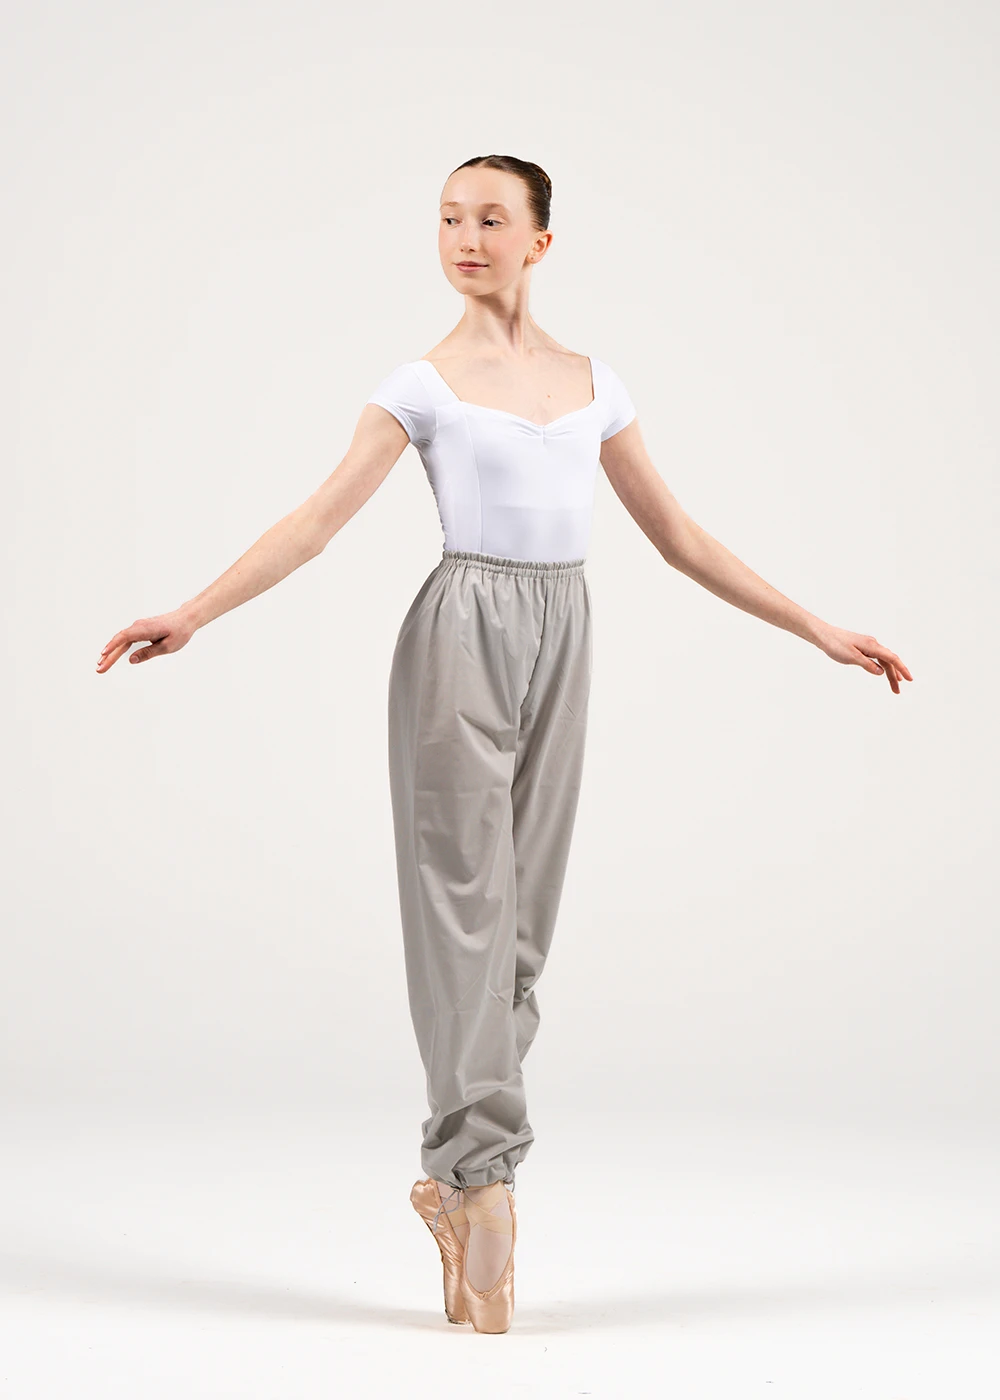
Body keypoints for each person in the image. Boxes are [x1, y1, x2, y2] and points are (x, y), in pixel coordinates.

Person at [95, 153, 913, 1334]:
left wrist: (818, 628)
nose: (464, 237)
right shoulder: (421, 384)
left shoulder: (594, 383)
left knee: (521, 921)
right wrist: (194, 610)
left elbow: (680, 537)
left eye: (489, 218)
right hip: (460, 630)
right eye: (447, 218)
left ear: (540, 239)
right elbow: (316, 520)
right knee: (462, 912)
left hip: (564, 626)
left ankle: (457, 1178)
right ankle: (484, 1186)